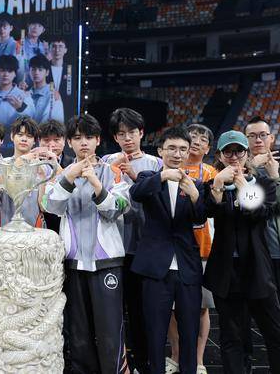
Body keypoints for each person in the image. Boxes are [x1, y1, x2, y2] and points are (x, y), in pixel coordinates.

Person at [43, 114, 133, 373]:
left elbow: (118, 208)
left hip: (106, 262)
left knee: (110, 331)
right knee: (78, 334)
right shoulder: (62, 174)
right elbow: (50, 206)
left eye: (89, 137)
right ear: (70, 142)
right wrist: (68, 177)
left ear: (98, 140)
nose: (84, 142)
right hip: (72, 263)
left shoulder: (113, 172)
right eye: (77, 137)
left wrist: (95, 182)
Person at [204, 130, 280, 374]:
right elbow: (206, 212)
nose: (234, 157)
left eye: (239, 151)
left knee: (275, 333)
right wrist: (219, 184)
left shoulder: (264, 184)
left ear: (246, 154)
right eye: (228, 152)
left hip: (258, 269)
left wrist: (243, 187)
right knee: (231, 336)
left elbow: (260, 213)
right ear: (220, 155)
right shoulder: (213, 185)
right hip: (226, 272)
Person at [130, 126, 206, 374]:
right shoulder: (148, 177)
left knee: (189, 331)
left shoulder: (196, 184)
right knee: (154, 332)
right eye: (171, 148)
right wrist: (163, 176)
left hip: (187, 268)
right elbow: (136, 193)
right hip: (155, 267)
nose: (177, 154)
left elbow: (201, 217)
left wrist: (195, 195)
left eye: (183, 149)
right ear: (160, 151)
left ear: (189, 152)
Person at [103, 107, 160, 374]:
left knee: (140, 310)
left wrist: (135, 177)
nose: (127, 138)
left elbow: (160, 202)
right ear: (115, 137)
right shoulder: (106, 161)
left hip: (143, 247)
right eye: (122, 134)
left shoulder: (155, 163)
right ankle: (118, 361)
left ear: (142, 133)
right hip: (113, 246)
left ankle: (142, 361)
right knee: (114, 311)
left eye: (132, 132)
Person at [243, 116, 280, 372]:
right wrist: (251, 169)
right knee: (241, 319)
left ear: (271, 138)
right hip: (245, 253)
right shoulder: (238, 168)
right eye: (252, 135)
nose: (258, 140)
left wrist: (274, 176)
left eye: (262, 135)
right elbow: (246, 204)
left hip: (275, 253)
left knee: (277, 319)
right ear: (246, 140)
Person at [165, 124, 217, 374]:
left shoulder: (212, 173)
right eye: (193, 137)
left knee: (202, 308)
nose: (197, 141)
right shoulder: (168, 169)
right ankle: (175, 355)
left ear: (208, 148)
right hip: (174, 249)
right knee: (171, 307)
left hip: (203, 248)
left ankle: (198, 360)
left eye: (203, 139)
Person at [0, 116, 46, 229]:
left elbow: (43, 206)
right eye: (20, 134)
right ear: (12, 136)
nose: (24, 139)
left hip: (34, 231)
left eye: (29, 136)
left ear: (35, 141)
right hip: (6, 229)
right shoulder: (0, 165)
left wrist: (43, 179)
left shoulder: (41, 167)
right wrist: (18, 164)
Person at [23, 54, 64, 124]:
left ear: (47, 72)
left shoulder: (53, 94)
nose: (36, 73)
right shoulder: (27, 93)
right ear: (29, 72)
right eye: (33, 69)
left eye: (40, 70)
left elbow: (57, 122)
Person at [48, 36, 75, 119]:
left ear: (65, 50)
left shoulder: (71, 69)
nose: (57, 50)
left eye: (60, 46)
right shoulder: (44, 68)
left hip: (66, 113)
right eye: (54, 46)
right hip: (47, 112)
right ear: (49, 49)